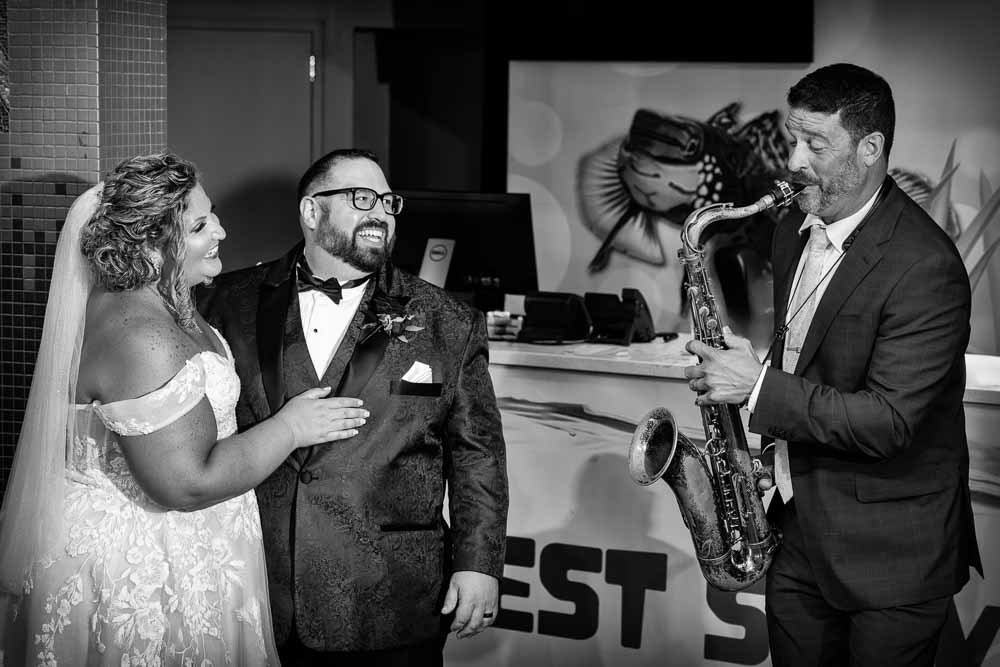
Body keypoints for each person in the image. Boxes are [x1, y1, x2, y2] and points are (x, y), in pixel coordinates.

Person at [0, 153, 367, 665]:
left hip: (192, 546)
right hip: (142, 566)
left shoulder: (164, 300)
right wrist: (290, 428)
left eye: (211, 213)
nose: (220, 229)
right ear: (150, 246)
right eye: (198, 225)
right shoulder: (139, 333)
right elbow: (185, 482)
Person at [682, 63, 982, 666]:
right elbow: (814, 358)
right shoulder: (794, 227)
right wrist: (769, 453)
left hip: (889, 563)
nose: (794, 159)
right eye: (795, 138)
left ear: (871, 148)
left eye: (816, 144)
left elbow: (891, 421)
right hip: (798, 536)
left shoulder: (926, 265)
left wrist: (757, 387)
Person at [197, 148, 509, 665]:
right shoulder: (225, 300)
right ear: (311, 212)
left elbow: (479, 455)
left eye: (388, 202)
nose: (381, 213)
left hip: (389, 592)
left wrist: (480, 564)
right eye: (362, 198)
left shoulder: (448, 322)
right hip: (252, 584)